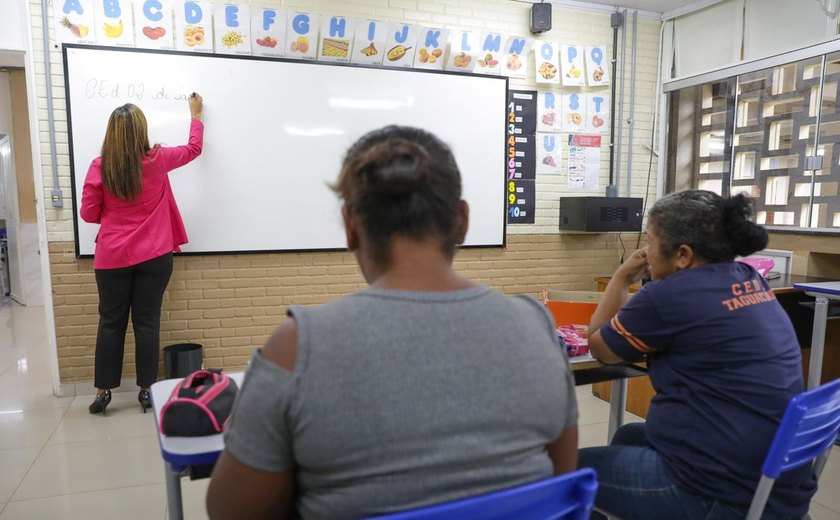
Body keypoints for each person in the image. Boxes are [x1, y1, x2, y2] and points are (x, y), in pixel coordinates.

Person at [206, 126, 578, 519]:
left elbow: (231, 512)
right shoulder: (535, 326)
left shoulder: (297, 347)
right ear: (462, 221)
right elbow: (560, 480)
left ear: (350, 226)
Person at [578, 190, 817, 520]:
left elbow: (600, 348)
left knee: (560, 469)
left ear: (683, 255)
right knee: (629, 436)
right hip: (775, 482)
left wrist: (621, 277)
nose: (646, 252)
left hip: (719, 495)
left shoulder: (669, 295)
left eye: (649, 241)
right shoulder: (749, 278)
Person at [81, 94, 204, 415]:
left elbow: (88, 212)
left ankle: (102, 392)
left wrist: (115, 218)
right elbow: (194, 150)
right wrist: (195, 115)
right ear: (141, 131)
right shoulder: (158, 160)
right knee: (147, 323)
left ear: (111, 133)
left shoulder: (99, 167)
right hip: (155, 257)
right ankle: (147, 390)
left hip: (111, 258)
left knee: (110, 323)